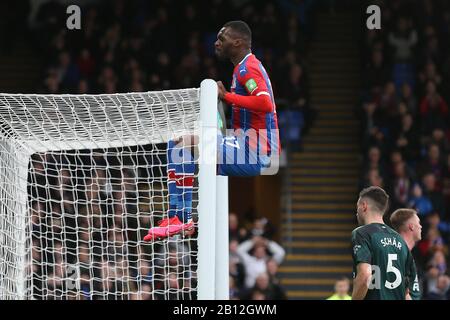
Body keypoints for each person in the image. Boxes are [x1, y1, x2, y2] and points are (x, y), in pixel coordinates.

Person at [144, 20, 280, 241]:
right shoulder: (243, 67)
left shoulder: (248, 68)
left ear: (237, 42)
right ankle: (179, 218)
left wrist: (226, 97)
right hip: (248, 144)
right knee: (181, 146)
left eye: (221, 39)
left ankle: (181, 217)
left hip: (255, 149)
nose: (216, 43)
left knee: (181, 144)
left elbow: (265, 103)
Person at [351, 186, 419, 300]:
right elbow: (407, 293)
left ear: (364, 206)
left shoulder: (362, 233)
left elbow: (365, 276)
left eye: (357, 206)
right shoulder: (400, 240)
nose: (356, 212)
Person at [389, 208, 422, 299]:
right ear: (411, 226)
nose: (421, 226)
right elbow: (403, 293)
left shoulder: (404, 252)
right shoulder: (398, 254)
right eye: (418, 223)